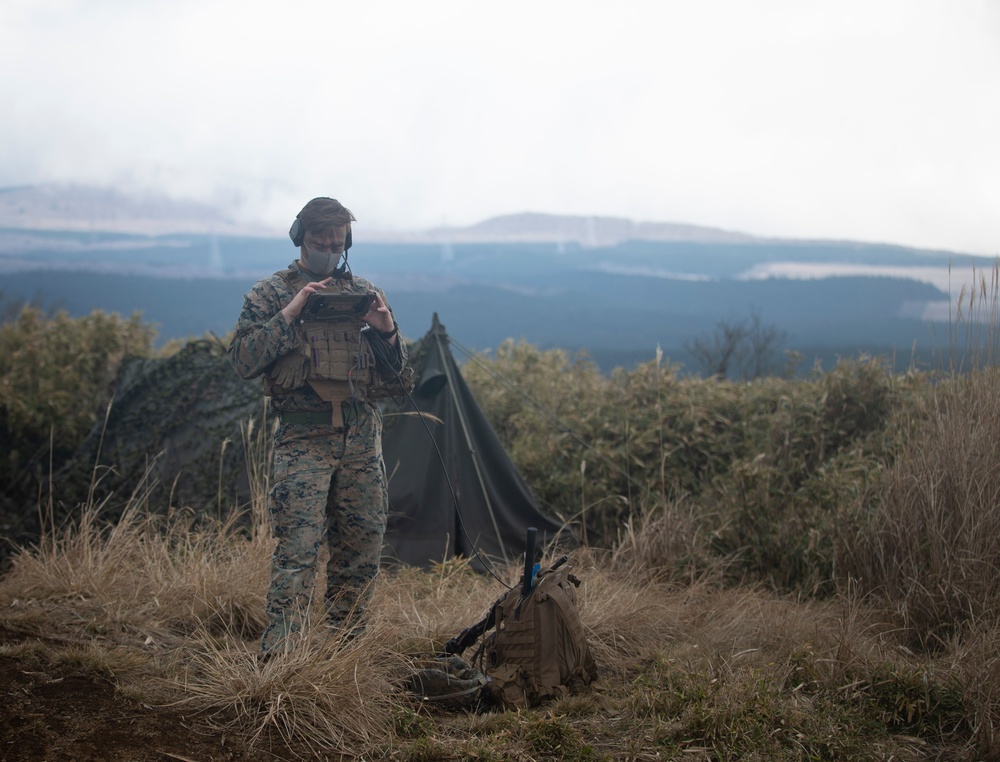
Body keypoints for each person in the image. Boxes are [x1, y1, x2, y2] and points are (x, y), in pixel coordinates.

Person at [228, 197, 411, 656]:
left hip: (361, 440)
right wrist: (290, 313)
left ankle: (346, 653)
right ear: (300, 239)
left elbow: (399, 380)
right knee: (298, 550)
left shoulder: (363, 292)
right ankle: (282, 655)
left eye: (337, 242)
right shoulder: (269, 294)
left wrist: (386, 331)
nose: (330, 250)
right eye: (319, 242)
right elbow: (243, 361)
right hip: (303, 439)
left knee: (362, 546)